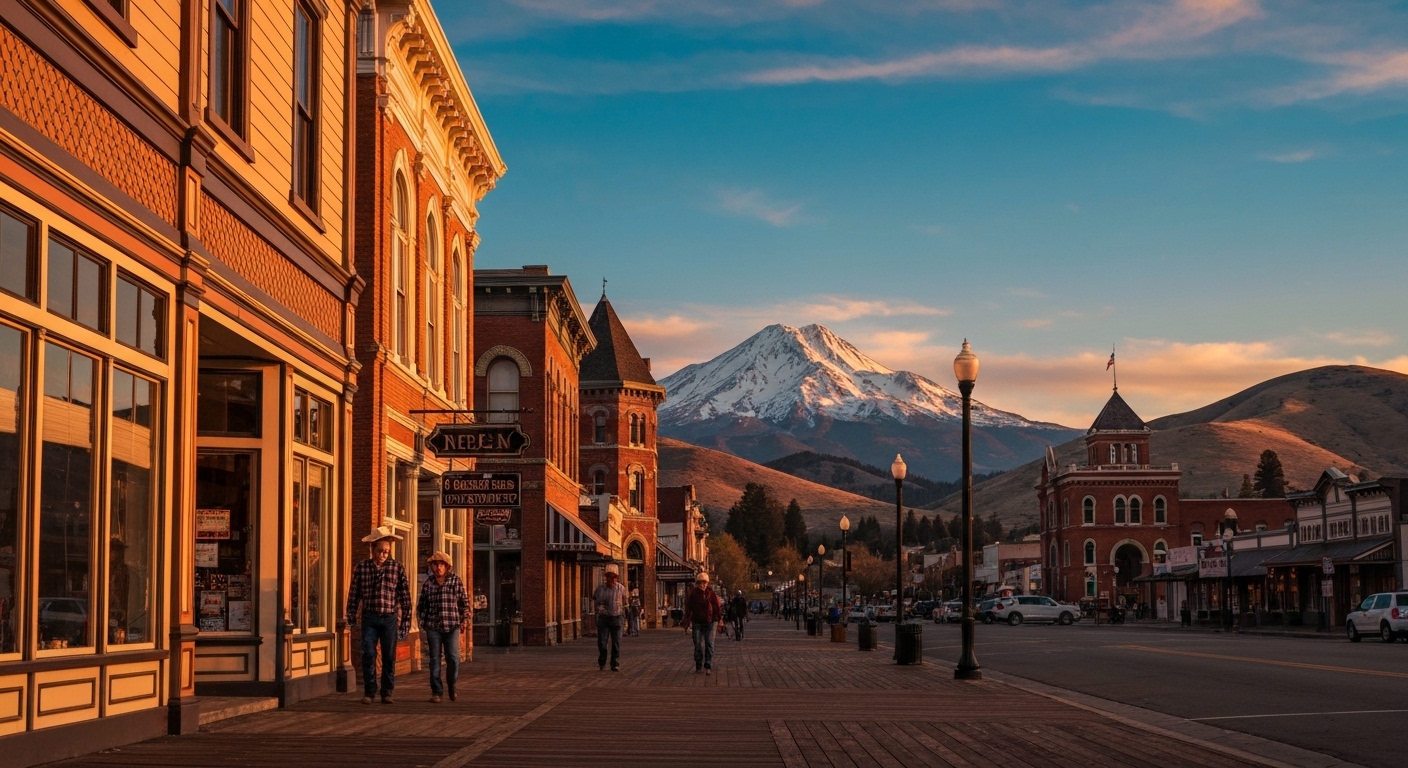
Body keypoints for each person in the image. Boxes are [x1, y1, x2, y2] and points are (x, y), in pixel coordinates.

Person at [346, 525, 411, 705]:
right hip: (370, 616)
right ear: (372, 548)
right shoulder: (362, 567)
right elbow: (354, 594)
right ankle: (369, 691)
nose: (384, 554)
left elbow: (405, 596)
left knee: (389, 656)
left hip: (389, 617)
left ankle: (387, 692)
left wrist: (405, 621)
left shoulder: (397, 568)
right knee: (368, 653)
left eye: (387, 551)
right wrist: (351, 616)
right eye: (381, 550)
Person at [417, 551, 468, 703]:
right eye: (435, 564)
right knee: (434, 659)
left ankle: (452, 685)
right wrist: (423, 622)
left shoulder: (455, 581)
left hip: (452, 625)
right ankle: (437, 691)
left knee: (453, 658)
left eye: (441, 565)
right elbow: (422, 606)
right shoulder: (428, 583)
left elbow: (464, 603)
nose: (438, 568)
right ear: (431, 567)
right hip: (433, 626)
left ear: (447, 567)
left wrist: (464, 619)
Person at [683, 572, 723, 674]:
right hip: (697, 622)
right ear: (697, 583)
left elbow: (716, 608)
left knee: (709, 644)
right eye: (700, 583)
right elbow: (688, 610)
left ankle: (708, 664)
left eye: (704, 582)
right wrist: (687, 624)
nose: (702, 585)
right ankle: (698, 664)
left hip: (711, 622)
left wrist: (720, 620)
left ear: (707, 583)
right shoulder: (693, 595)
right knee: (698, 644)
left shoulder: (711, 594)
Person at [594, 564, 627, 671]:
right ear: (606, 578)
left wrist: (625, 617)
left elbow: (626, 603)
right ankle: (602, 660)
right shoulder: (600, 590)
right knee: (602, 642)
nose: (611, 580)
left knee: (616, 642)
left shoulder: (621, 589)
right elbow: (595, 601)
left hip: (617, 618)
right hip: (604, 618)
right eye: (609, 577)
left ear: (616, 578)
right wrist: (597, 611)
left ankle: (615, 663)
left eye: (613, 578)